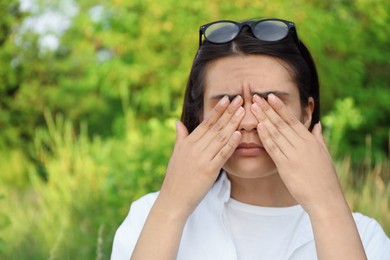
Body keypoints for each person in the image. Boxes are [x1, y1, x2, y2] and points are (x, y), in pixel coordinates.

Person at [111, 18, 390, 259]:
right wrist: (172, 207)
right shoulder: (150, 216)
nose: (247, 122)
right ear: (199, 115)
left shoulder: (364, 237)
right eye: (228, 104)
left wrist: (327, 206)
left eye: (269, 102)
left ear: (307, 113)